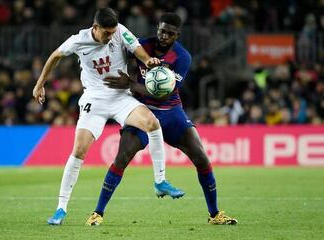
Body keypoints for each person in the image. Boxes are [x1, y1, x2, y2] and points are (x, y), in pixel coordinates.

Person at [32, 8, 184, 226]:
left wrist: (148, 60)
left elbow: (137, 48)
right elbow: (55, 56)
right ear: (95, 28)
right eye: (106, 33)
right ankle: (61, 209)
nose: (111, 37)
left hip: (121, 97)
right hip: (95, 99)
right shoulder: (78, 41)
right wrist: (40, 84)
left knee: (152, 123)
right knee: (79, 151)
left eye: (113, 33)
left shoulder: (120, 30)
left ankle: (160, 181)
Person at [86, 13, 238, 226]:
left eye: (170, 33)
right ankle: (97, 213)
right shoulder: (141, 46)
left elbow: (164, 93)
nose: (164, 36)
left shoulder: (182, 57)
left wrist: (130, 85)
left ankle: (215, 215)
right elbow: (114, 52)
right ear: (157, 27)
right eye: (162, 30)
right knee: (122, 158)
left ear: (177, 35)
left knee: (202, 158)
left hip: (171, 112)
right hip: (140, 110)